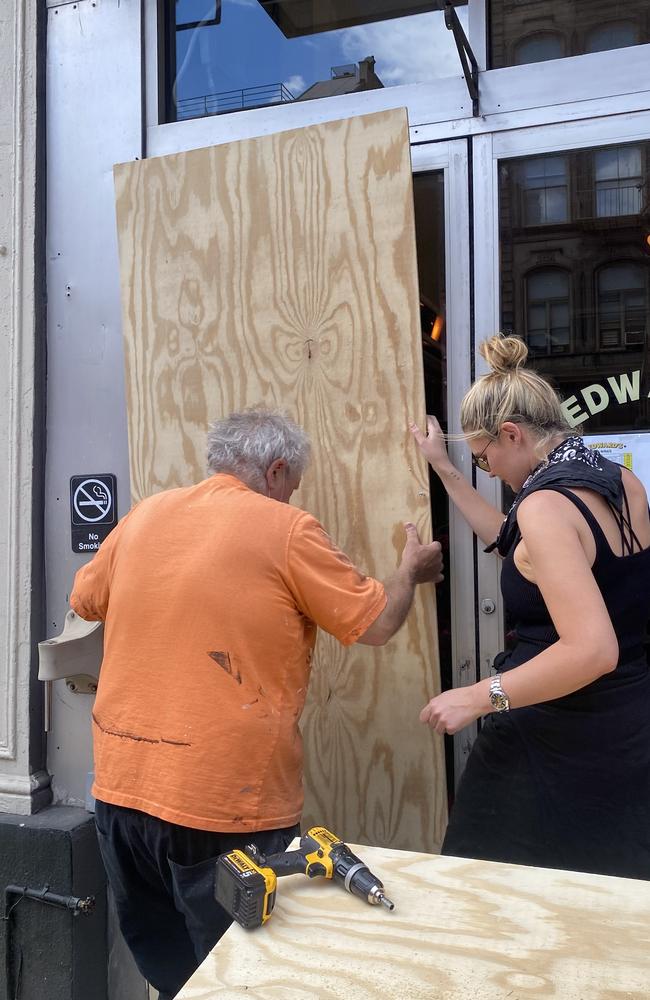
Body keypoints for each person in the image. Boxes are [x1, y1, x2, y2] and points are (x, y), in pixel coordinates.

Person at [71, 408, 443, 1000]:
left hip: (120, 794)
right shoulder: (287, 529)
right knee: (245, 977)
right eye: (291, 484)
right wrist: (409, 572)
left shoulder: (144, 517)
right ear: (275, 471)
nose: (291, 495)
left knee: (171, 975)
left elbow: (85, 600)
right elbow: (375, 624)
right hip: (222, 808)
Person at [410, 334, 650, 881]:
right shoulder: (619, 479)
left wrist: (477, 697)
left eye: (484, 458)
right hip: (626, 726)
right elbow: (518, 546)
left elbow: (591, 649)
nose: (487, 470)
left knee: (484, 887)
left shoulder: (544, 504)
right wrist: (445, 469)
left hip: (555, 732)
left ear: (512, 434)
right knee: (604, 899)